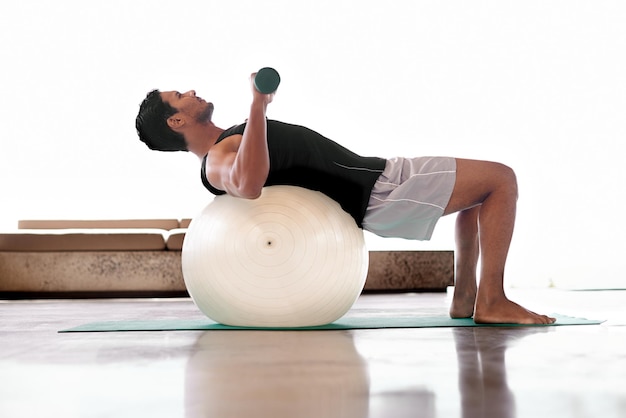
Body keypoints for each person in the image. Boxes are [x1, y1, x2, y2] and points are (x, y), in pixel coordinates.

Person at [135, 72, 555, 325]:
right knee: (502, 180)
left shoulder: (230, 140)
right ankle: (493, 300)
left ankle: (468, 298)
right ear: (177, 120)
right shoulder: (216, 158)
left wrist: (256, 112)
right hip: (379, 192)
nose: (190, 90)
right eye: (179, 96)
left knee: (482, 192)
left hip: (381, 175)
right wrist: (258, 105)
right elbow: (247, 184)